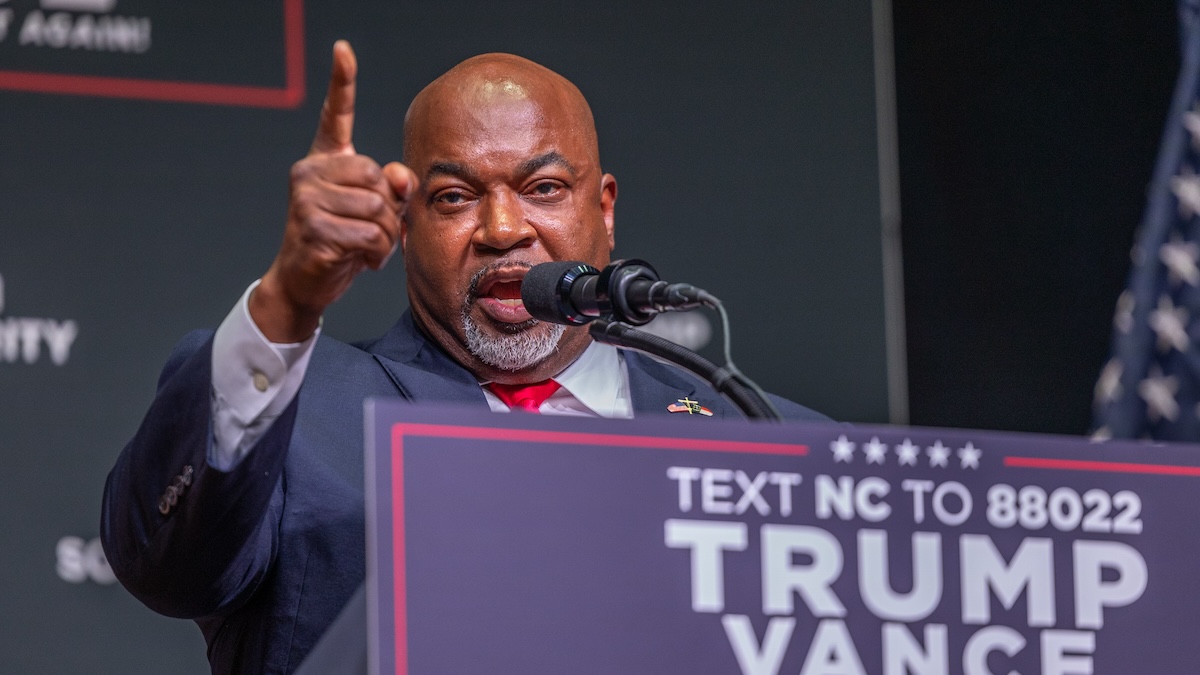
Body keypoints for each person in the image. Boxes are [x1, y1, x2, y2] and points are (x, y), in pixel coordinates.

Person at [101, 41, 828, 674]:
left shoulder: (764, 442)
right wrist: (288, 299)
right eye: (454, 197)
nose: (504, 228)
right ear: (407, 225)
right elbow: (163, 564)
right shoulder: (296, 414)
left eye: (544, 188)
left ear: (603, 210)